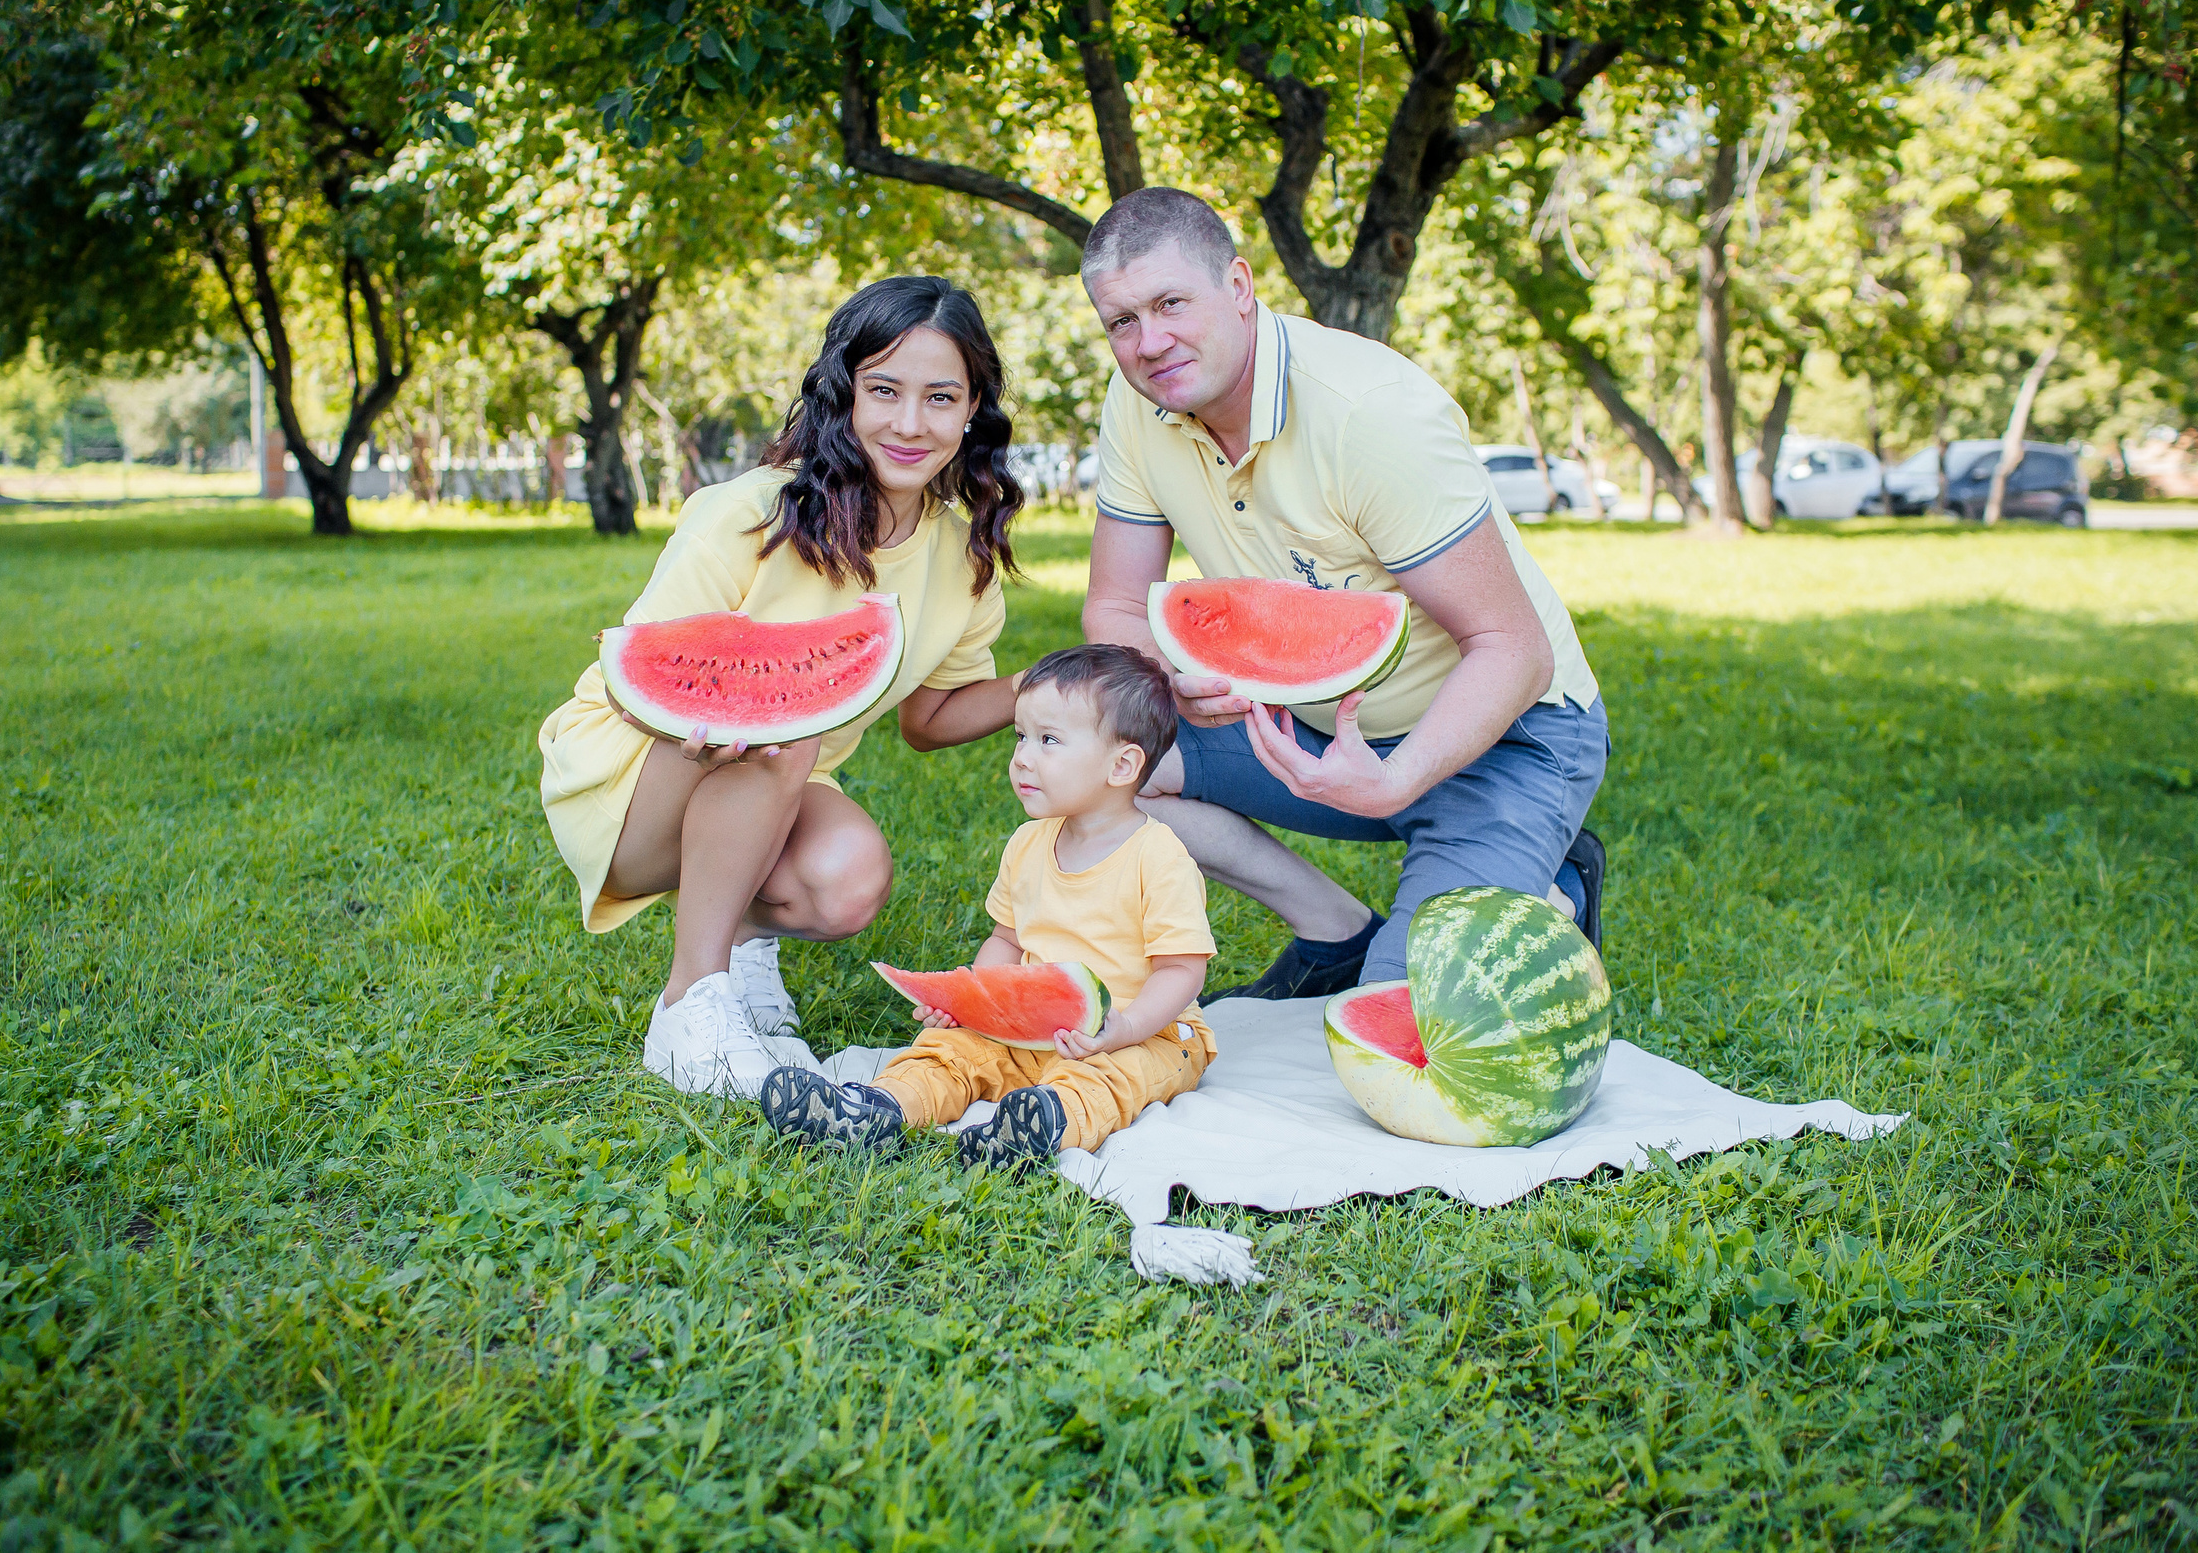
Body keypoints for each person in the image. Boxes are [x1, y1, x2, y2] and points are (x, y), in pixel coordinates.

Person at [1077, 187, 1609, 998]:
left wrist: (1395, 782)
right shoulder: (1137, 404)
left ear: (1241, 288)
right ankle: (1335, 932)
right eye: (1122, 321)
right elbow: (1115, 609)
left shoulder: (1371, 416)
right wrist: (1170, 675)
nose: (1150, 342)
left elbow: (1516, 650)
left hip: (1510, 735)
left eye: (1171, 303)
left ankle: (1554, 886)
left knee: (1404, 1023)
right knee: (1099, 760)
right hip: (1316, 732)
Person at [537, 276, 1024, 1097]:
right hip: (629, 776)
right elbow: (636, 673)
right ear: (844, 391)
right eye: (884, 391)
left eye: (941, 397)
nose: (910, 423)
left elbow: (930, 719)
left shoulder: (964, 559)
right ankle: (689, 1004)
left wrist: (1045, 682)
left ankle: (742, 942)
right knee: (784, 722)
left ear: (974, 407)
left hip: (782, 779)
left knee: (849, 880)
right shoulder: (748, 513)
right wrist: (717, 711)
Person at [759, 643, 1216, 1164]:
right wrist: (971, 1003)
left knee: (1110, 1079)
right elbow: (1006, 940)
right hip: (1033, 1028)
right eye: (1020, 736)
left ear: (1122, 765)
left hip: (1150, 1031)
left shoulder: (1158, 857)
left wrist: (1124, 1030)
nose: (1021, 756)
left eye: (1049, 740)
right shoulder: (1028, 842)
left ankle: (1039, 1127)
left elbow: (1182, 970)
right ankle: (875, 1110)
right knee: (949, 1053)